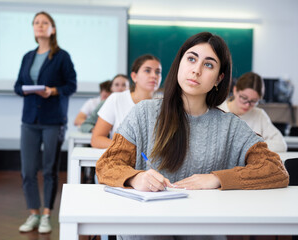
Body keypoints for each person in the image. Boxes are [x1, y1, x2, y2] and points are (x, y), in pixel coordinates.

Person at [96, 32, 289, 240]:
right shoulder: (144, 113)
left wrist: (217, 178)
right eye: (191, 59)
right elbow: (107, 164)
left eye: (208, 65)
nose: (196, 70)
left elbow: (275, 170)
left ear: (219, 78)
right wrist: (136, 177)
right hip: (148, 225)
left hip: (202, 227)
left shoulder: (230, 126)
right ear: (179, 64)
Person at [14, 11, 76, 234]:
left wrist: (53, 90)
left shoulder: (61, 56)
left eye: (45, 23)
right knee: (28, 170)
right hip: (30, 120)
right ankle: (33, 213)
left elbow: (71, 85)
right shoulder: (28, 56)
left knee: (49, 169)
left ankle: (47, 215)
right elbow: (17, 86)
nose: (39, 26)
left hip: (53, 121)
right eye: (36, 23)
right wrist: (26, 90)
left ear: (53, 29)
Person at [91, 54, 162, 149]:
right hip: (122, 159)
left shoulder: (165, 103)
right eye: (147, 71)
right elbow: (96, 139)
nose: (154, 76)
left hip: (153, 162)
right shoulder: (116, 99)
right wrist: (126, 148)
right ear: (134, 76)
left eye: (158, 72)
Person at [218, 72, 287, 152]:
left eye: (254, 101)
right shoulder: (218, 111)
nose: (247, 105)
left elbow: (281, 145)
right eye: (244, 98)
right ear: (235, 90)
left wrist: (252, 146)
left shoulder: (259, 115)